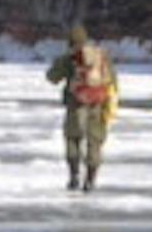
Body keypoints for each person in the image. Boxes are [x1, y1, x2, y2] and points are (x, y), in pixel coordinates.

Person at [46, 24, 117, 191]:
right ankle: (91, 179)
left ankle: (74, 176)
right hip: (98, 104)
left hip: (76, 105)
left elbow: (52, 77)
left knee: (72, 139)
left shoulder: (70, 57)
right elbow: (112, 80)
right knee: (95, 142)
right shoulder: (101, 55)